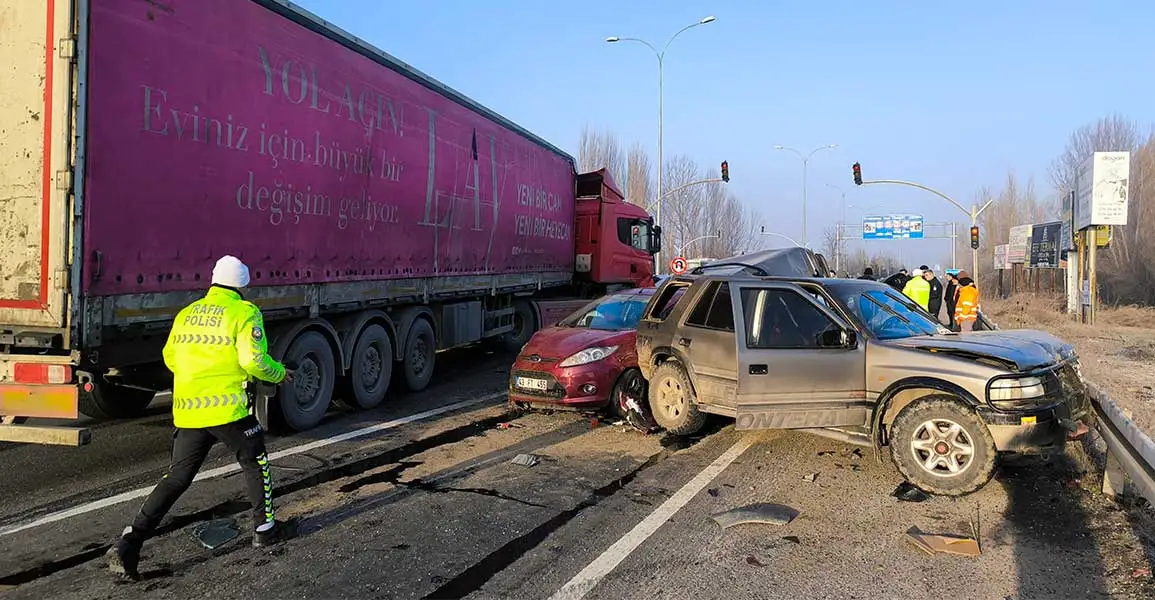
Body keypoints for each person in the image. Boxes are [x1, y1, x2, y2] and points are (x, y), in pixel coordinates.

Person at [107, 255, 297, 581]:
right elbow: (253, 361)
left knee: (177, 478)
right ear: (242, 286)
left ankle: (130, 541)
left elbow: (170, 356)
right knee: (255, 461)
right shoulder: (244, 312)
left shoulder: (187, 313)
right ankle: (265, 529)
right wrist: (279, 373)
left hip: (189, 409)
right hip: (227, 410)